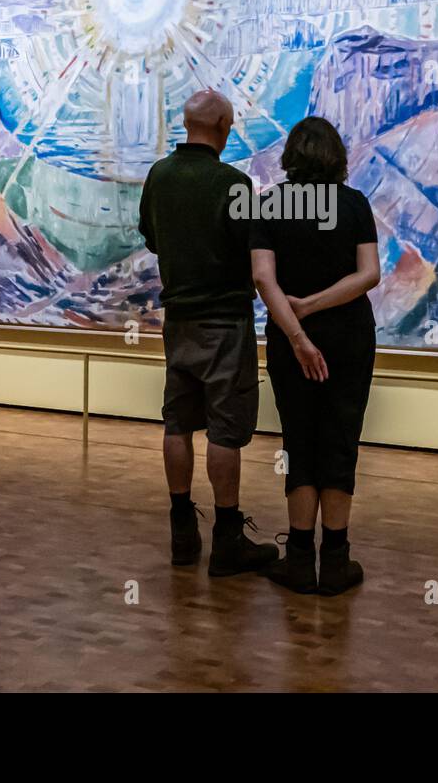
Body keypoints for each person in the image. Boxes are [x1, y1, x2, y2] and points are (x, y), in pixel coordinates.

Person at [138, 90, 278, 576]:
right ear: (223, 126)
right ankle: (227, 538)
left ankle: (181, 530)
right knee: (224, 430)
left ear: (186, 123)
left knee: (177, 421)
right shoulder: (233, 184)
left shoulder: (159, 177)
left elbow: (152, 237)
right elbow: (253, 254)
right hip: (226, 324)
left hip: (178, 322)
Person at [249, 116, 380, 595]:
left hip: (288, 340)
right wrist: (316, 306)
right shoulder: (355, 204)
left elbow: (264, 279)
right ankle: (337, 560)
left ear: (291, 156)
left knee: (298, 441)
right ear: (336, 157)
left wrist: (298, 331)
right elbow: (369, 275)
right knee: (341, 439)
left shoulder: (268, 205)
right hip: (349, 337)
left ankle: (300, 559)